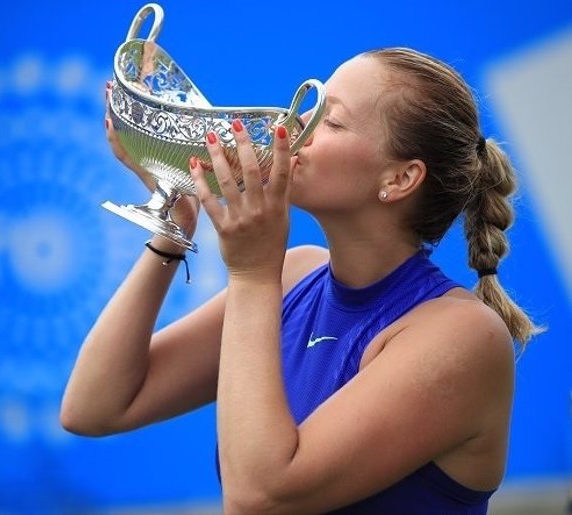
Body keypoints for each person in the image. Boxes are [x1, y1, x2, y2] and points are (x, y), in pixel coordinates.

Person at [60, 47, 541, 514]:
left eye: (329, 121)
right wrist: (176, 225)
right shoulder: (294, 274)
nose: (293, 129)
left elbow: (258, 497)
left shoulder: (463, 336)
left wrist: (250, 273)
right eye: (306, 108)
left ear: (399, 179)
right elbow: (95, 406)